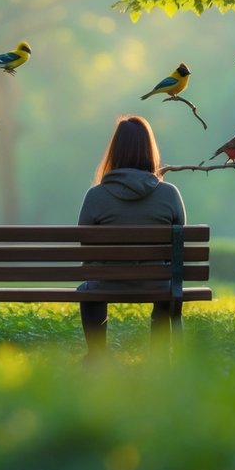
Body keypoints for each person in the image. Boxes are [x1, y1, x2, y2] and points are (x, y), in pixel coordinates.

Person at [77, 115, 187, 357]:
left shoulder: (96, 196)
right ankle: (158, 358)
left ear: (114, 151)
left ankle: (97, 357)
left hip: (105, 282)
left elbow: (85, 244)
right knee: (168, 284)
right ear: (150, 150)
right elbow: (178, 247)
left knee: (88, 289)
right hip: (156, 283)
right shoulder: (169, 195)